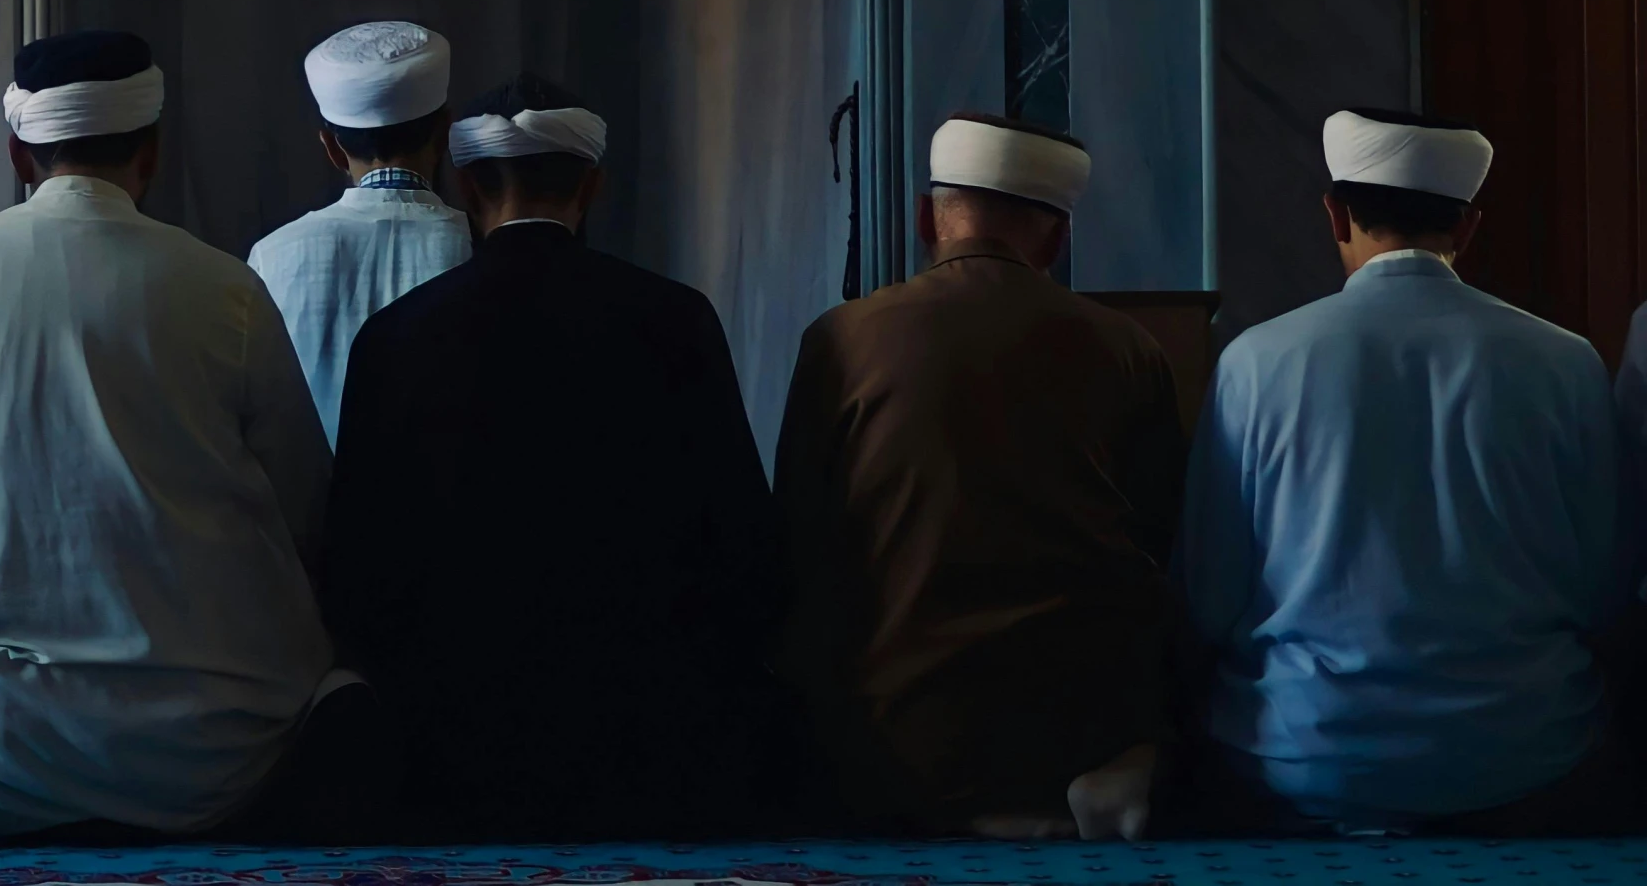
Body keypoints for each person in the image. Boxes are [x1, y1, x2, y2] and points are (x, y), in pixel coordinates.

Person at [0, 30, 338, 840]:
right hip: (205, 745)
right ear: (149, 152)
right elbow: (306, 507)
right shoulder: (226, 289)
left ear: (20, 154)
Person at [321, 73, 782, 840]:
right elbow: (746, 552)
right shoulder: (676, 320)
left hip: (448, 761)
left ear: (466, 185)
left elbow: (357, 572)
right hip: (651, 754)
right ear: (592, 184)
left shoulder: (396, 339)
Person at [1179, 108, 1641, 834]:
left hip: (1303, 756)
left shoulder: (1257, 362)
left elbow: (1209, 596)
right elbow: (1606, 590)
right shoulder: (1567, 361)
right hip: (1527, 755)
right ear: (1468, 226)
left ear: (1336, 213)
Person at [774, 114, 1180, 841]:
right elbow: (1163, 539)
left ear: (927, 218)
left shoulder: (842, 338)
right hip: (1070, 747)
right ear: (1056, 239)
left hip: (889, 749)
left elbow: (796, 540)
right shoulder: (1128, 349)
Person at [247, 21, 470, 446]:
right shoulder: (481, 246)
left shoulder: (272, 255)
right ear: (445, 132)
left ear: (331, 147)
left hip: (307, 509)